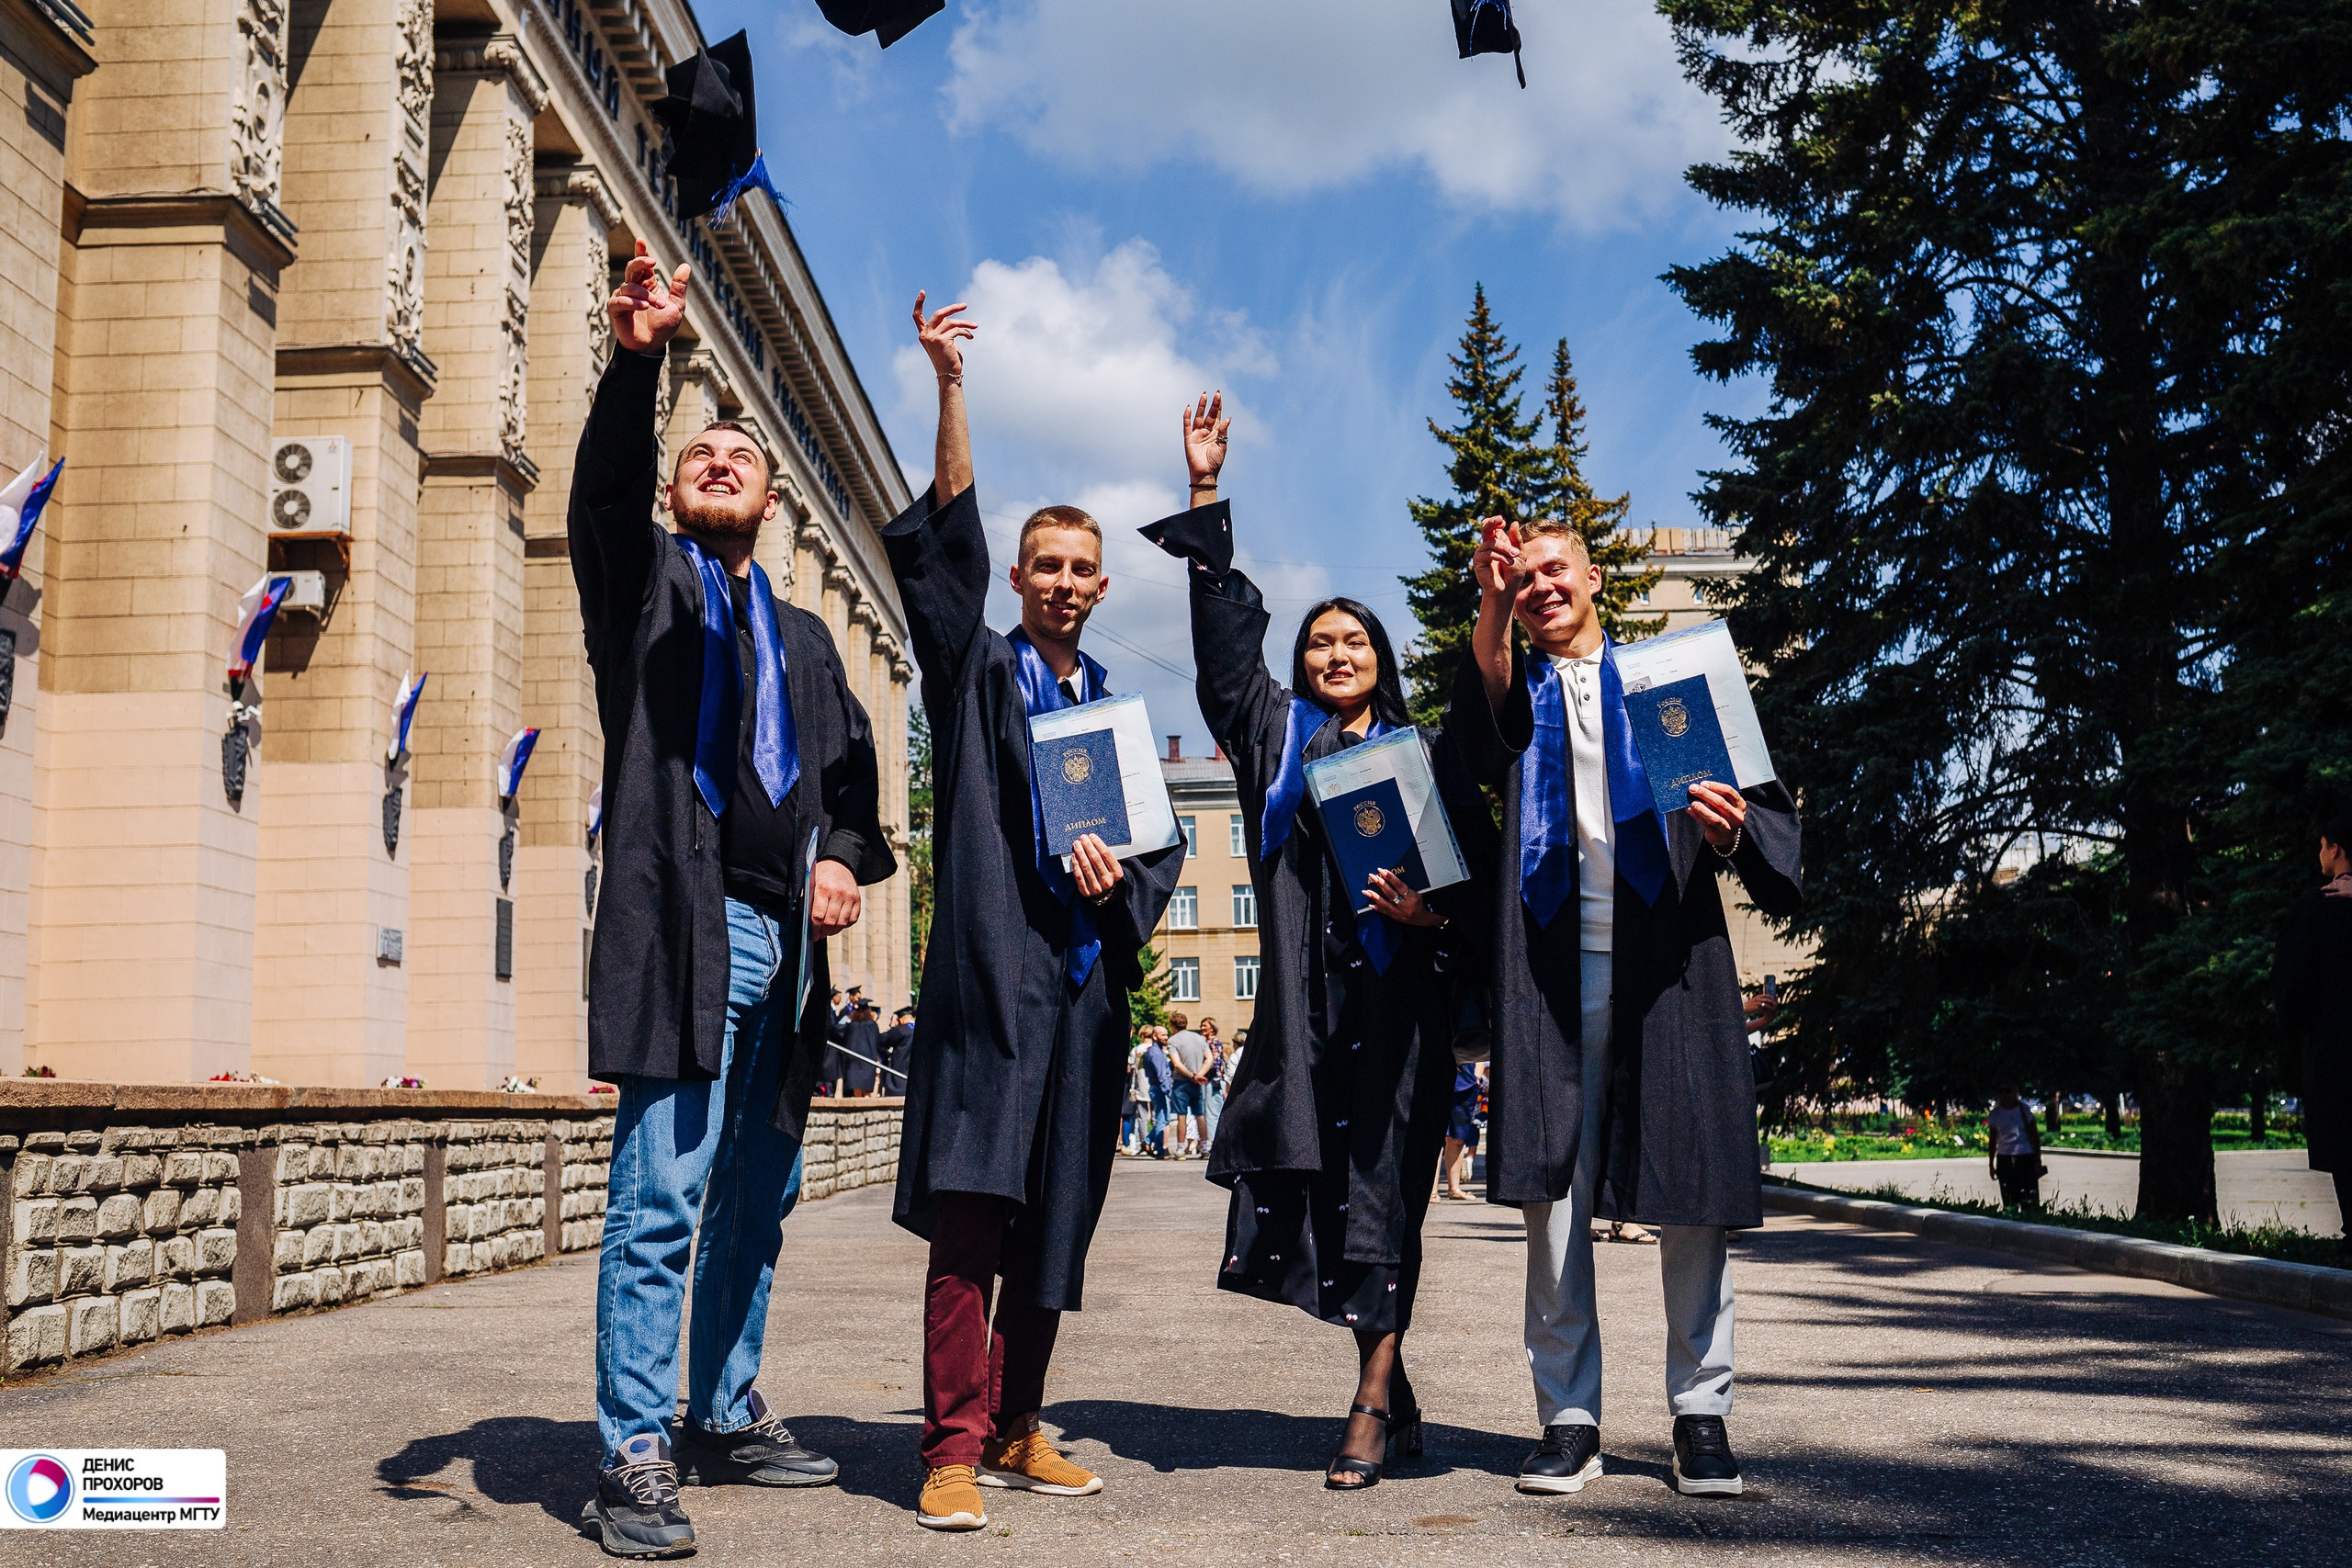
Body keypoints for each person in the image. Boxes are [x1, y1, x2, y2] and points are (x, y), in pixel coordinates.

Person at [572, 241, 898, 1557]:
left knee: (756, 1197)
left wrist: (842, 857)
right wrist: (639, 356)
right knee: (660, 1195)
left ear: (768, 501)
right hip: (686, 929)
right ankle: (632, 1448)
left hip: (790, 949)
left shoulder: (812, 639)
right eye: (700, 456)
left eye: (741, 460)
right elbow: (600, 495)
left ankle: (720, 1405)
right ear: (676, 485)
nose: (721, 465)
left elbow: (858, 789)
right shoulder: (643, 587)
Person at [1144, 394, 1496, 1492]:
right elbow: (1221, 657)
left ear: (1380, 660)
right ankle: (1395, 1385)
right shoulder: (1274, 739)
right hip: (1305, 1011)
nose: (1334, 653)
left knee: (1387, 1191)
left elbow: (1471, 888)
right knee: (1337, 1201)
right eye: (1318, 643)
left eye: (1353, 641)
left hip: (1401, 1007)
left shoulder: (1422, 753)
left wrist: (1426, 918)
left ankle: (1366, 1404)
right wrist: (1204, 498)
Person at [885, 292, 1184, 1531]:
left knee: (1056, 1220)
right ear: (1016, 577)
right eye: (1042, 565)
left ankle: (1018, 1422)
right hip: (992, 985)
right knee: (973, 1219)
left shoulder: (1112, 709)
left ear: (1103, 584)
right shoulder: (978, 668)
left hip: (1082, 995)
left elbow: (1156, 852)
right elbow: (945, 533)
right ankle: (949, 1444)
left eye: (1080, 568)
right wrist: (953, 385)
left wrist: (1127, 889)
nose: (1061, 581)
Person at [1452, 516, 1801, 1500]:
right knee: (1552, 1197)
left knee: (1689, 1189)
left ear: (1595, 576)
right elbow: (1474, 730)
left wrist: (1731, 834)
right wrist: (1486, 599)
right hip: (1549, 971)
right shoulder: (1514, 695)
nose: (1540, 589)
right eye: (1523, 582)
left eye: (1553, 570)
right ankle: (1567, 1418)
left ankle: (1701, 1415)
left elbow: (1767, 812)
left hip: (1667, 961)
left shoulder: (1671, 682)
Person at [2277, 805, 2352, 1241]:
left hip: (2334, 1047)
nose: (2318, 852)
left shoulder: (2314, 908)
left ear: (2335, 849)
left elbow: (2292, 984)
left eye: (2322, 845)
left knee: (2344, 1143)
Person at [1985, 1089, 2042, 1210]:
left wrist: (2038, 1160)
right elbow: (1992, 1140)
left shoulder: (2023, 1110)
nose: (2005, 1095)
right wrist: (1991, 1164)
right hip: (2004, 1157)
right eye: (2002, 1091)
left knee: (2028, 1196)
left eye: (2008, 1091)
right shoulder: (1996, 1114)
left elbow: (2035, 1136)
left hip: (2025, 1155)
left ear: (2015, 1092)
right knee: (2009, 1196)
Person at [1165, 1012, 1209, 1159]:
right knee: (1199, 1114)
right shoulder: (1199, 1038)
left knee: (1181, 1115)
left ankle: (1181, 1149)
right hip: (1197, 1081)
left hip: (1182, 1082)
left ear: (1172, 1026)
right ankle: (1204, 1147)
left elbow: (1177, 1064)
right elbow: (1209, 1059)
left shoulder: (1172, 1041)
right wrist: (1199, 1075)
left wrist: (1191, 1076)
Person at [1441, 1063, 1485, 1201]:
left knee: (1458, 1138)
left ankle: (1454, 1189)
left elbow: (1480, 1046)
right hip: (1437, 1075)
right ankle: (1430, 1191)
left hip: (1466, 1081)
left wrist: (1477, 1075)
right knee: (1433, 1138)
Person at [828, 997, 885, 1097]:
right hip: (868, 1062)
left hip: (853, 1062)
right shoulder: (873, 1025)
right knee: (867, 1092)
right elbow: (878, 1041)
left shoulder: (852, 1026)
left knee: (855, 1091)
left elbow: (839, 1033)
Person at [1142, 1028, 1175, 1156]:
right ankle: (1160, 1149)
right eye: (1163, 1035)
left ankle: (1148, 1141)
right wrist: (1168, 1092)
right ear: (1155, 1036)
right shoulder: (1155, 1053)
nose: (1166, 1037)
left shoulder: (1156, 1051)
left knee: (1164, 1118)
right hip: (1160, 1089)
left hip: (1158, 1088)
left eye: (1167, 1034)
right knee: (1162, 1119)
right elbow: (1162, 1076)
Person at [1201, 1019, 1228, 1150]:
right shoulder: (1207, 1042)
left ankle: (1215, 1144)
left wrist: (1201, 1074)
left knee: (1213, 1113)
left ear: (1212, 1028)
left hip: (1214, 1082)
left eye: (1205, 1025)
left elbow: (1215, 1062)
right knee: (1211, 1112)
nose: (1202, 1028)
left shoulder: (1214, 1042)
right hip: (1211, 1081)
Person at [877, 1005, 917, 1096]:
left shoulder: (901, 1030)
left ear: (902, 1019)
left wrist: (893, 1026)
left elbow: (883, 1040)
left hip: (900, 1067)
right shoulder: (921, 1030)